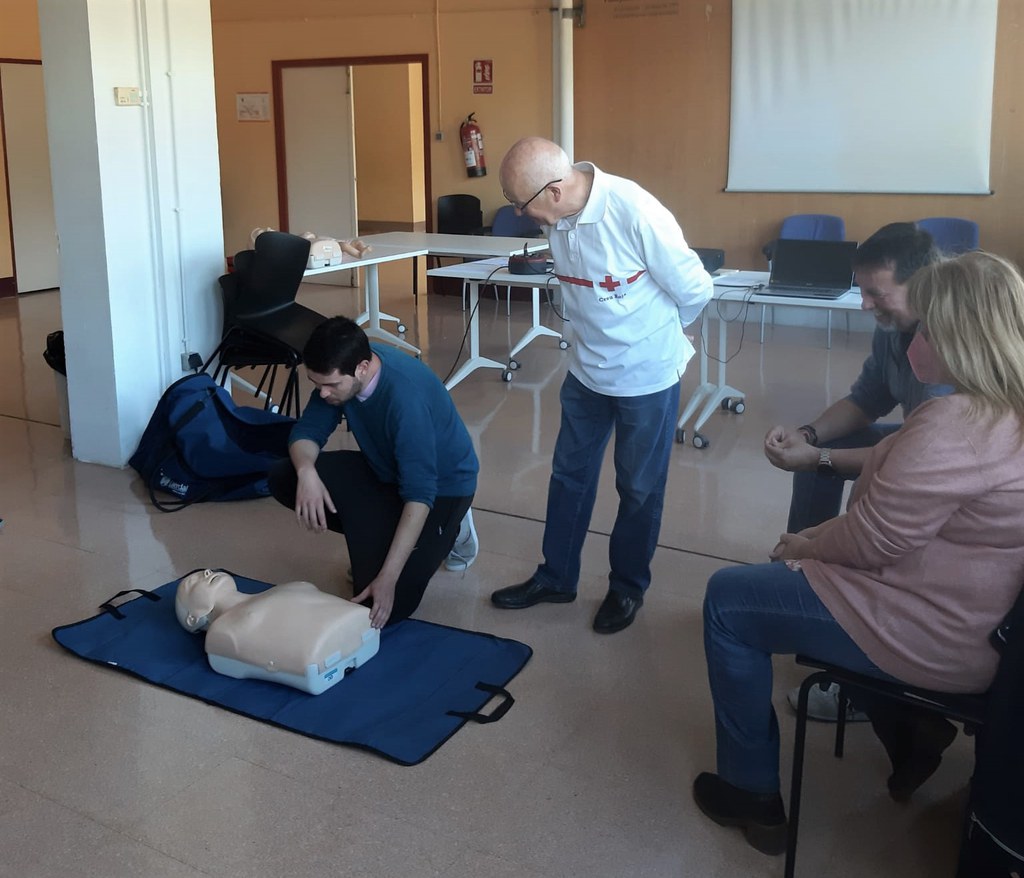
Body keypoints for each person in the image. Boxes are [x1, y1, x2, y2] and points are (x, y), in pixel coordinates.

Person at [694, 251, 1024, 856]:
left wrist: (805, 546)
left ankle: (750, 792)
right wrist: (818, 468)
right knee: (794, 575)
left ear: (959, 334)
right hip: (981, 613)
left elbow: (872, 543)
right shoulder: (1004, 406)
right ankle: (910, 727)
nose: (915, 339)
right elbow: (896, 483)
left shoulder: (959, 423)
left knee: (729, 601)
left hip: (938, 627)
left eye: (926, 328)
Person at [489, 137, 713, 633]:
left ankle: (627, 587)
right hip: (586, 371)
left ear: (552, 191)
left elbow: (696, 287)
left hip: (647, 377)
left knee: (638, 487)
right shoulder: (557, 216)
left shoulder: (635, 211)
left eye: (520, 204)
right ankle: (557, 577)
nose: (519, 214)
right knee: (569, 476)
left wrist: (665, 334)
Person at [763, 222, 947, 721]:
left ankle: (855, 643)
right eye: (861, 290)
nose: (864, 305)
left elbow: (916, 459)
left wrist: (817, 459)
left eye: (875, 293)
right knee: (825, 452)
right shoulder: (897, 329)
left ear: (923, 284)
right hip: (918, 448)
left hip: (930, 465)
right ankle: (799, 576)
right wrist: (810, 436)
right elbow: (867, 399)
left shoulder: (951, 345)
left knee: (840, 471)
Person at [268, 317, 478, 629]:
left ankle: (453, 529)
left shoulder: (405, 399)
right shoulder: (342, 368)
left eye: (331, 385)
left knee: (381, 607)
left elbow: (420, 493)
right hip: (386, 472)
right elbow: (307, 432)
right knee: (286, 476)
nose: (323, 393)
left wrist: (388, 577)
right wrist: (307, 472)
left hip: (442, 488)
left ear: (362, 369)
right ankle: (378, 535)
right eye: (316, 384)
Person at [175, 569, 379, 696]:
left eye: (206, 572)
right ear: (192, 618)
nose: (207, 573)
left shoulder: (278, 591)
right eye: (193, 583)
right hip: (325, 650)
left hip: (344, 634)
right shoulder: (222, 632)